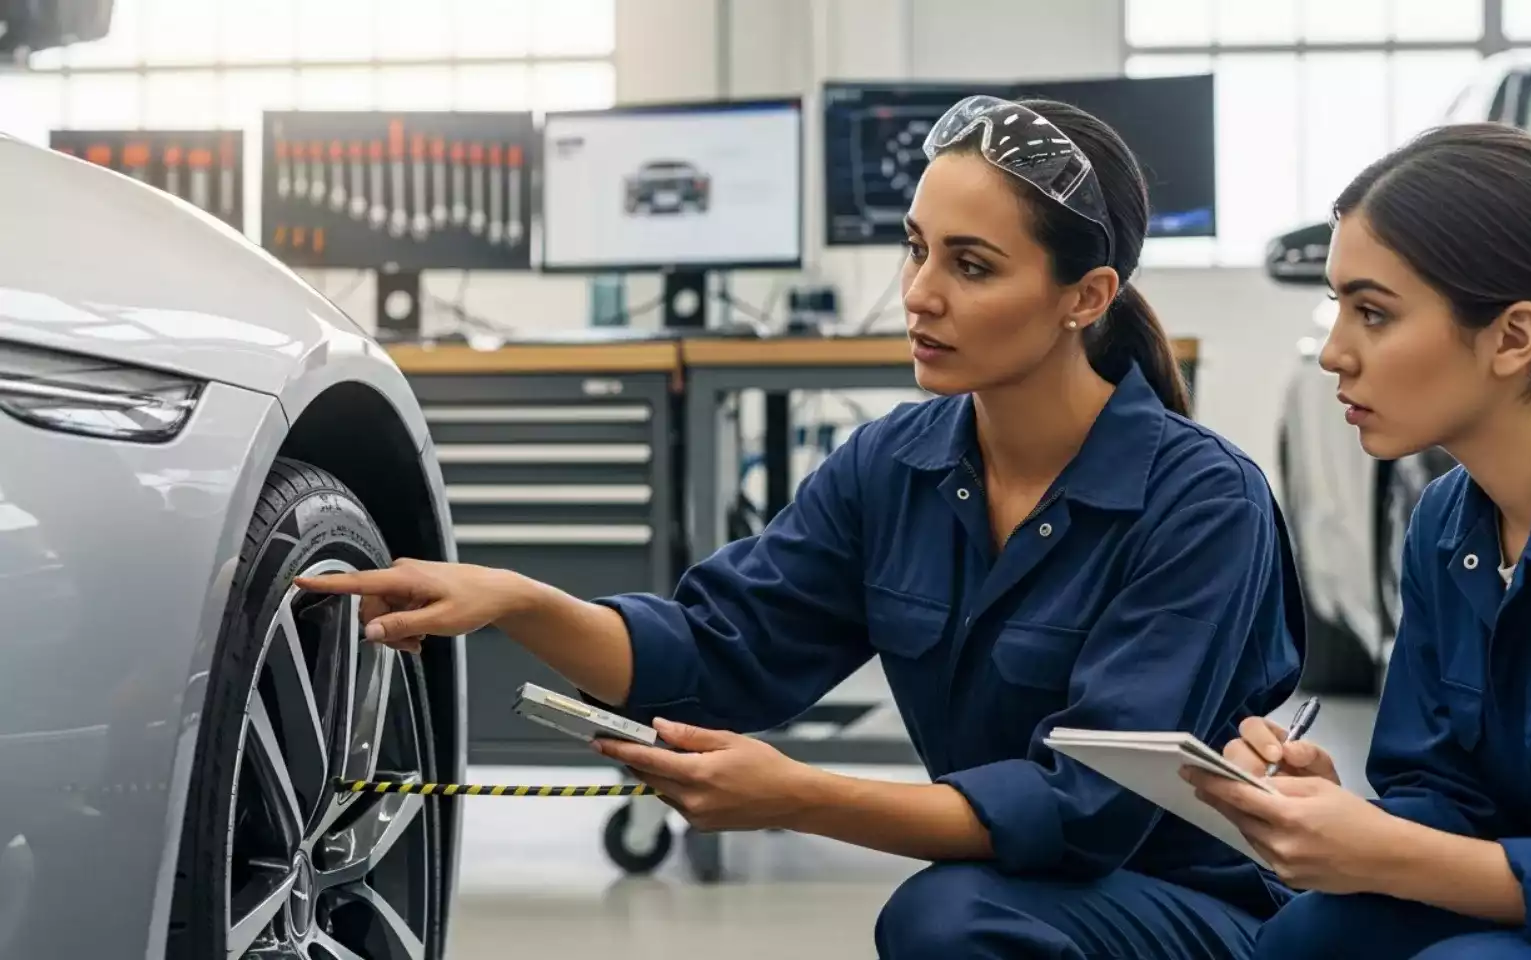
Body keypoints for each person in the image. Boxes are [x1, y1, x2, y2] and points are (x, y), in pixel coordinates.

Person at [299, 95, 1307, 959]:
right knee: (960, 915)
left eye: (971, 265)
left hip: (1204, 911)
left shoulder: (1199, 503)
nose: (918, 294)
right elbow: (715, 654)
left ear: (1083, 298)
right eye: (916, 249)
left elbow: (1086, 811)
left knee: (949, 921)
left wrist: (795, 797)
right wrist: (514, 601)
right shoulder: (897, 466)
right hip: (1031, 896)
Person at [1185, 122, 1531, 959]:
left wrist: (1397, 855)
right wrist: (1331, 813)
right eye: (1337, 307)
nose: (1334, 352)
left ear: (1514, 338)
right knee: (1307, 936)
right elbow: (1440, 790)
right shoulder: (1447, 524)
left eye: (1372, 313)